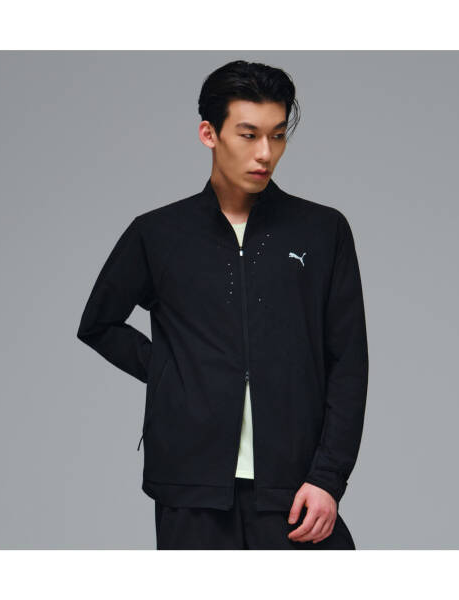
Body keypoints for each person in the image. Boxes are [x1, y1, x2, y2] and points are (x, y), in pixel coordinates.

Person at [77, 60, 369, 550]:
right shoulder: (159, 233)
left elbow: (348, 363)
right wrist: (174, 372)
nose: (265, 153)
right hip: (190, 487)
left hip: (295, 485)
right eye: (248, 135)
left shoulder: (322, 231)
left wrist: (328, 477)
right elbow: (98, 323)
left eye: (277, 135)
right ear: (209, 134)